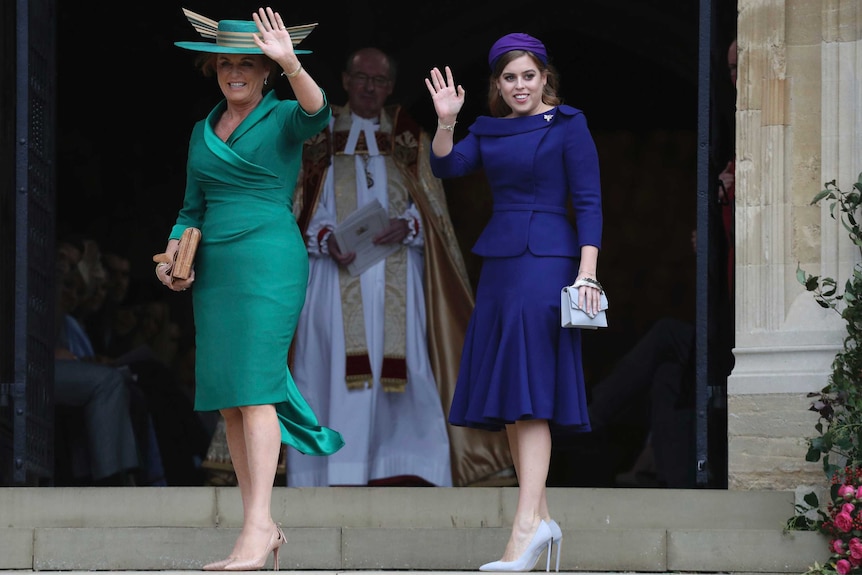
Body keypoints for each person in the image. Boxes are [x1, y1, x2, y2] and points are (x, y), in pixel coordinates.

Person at [157, 7, 344, 571]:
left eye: (247, 64)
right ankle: (258, 524)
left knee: (257, 388)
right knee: (232, 400)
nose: (234, 73)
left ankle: (259, 527)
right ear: (214, 69)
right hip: (215, 270)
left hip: (268, 260)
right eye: (225, 64)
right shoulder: (201, 131)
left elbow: (321, 113)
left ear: (265, 71)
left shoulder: (286, 114)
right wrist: (173, 258)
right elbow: (191, 209)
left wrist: (291, 62)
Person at [289, 47, 512, 487]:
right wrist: (322, 235)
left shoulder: (410, 136)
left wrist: (408, 224)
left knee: (404, 372)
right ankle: (327, 471)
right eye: (361, 78)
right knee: (326, 371)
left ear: (390, 87)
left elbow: (431, 209)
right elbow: (298, 200)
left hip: (397, 277)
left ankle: (406, 466)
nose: (369, 87)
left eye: (379, 80)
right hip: (330, 278)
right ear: (345, 80)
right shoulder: (317, 133)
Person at [425, 33, 603, 571]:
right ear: (497, 86)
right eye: (509, 78)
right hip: (501, 265)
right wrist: (447, 120)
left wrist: (587, 275)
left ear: (544, 76)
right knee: (510, 389)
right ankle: (542, 519)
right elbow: (446, 168)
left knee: (530, 392)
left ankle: (524, 530)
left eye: (528, 75)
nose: (520, 85)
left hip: (548, 265)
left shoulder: (570, 124)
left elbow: (590, 202)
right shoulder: (489, 128)